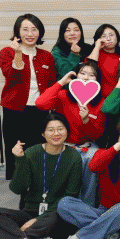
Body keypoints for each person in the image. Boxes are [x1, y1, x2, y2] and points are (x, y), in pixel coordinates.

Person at [0, 113, 82, 239]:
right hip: (29, 211)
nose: (56, 133)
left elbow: (71, 195)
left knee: (60, 223)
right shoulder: (32, 153)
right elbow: (17, 188)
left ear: (67, 131)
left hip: (54, 213)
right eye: (50, 130)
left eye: (60, 129)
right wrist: (20, 160)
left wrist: (37, 219)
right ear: (43, 133)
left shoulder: (73, 157)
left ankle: (4, 237)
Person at [35, 61, 106, 206]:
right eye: (82, 73)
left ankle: (86, 207)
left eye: (91, 75)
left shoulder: (100, 102)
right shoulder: (63, 95)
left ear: (97, 80)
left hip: (87, 147)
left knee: (93, 160)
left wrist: (86, 120)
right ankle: (59, 206)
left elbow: (97, 134)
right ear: (76, 75)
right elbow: (41, 103)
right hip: (64, 145)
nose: (86, 77)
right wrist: (61, 82)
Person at [0, 14, 57, 180]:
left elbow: (52, 84)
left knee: (38, 147)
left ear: (40, 32)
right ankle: (19, 184)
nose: (30, 34)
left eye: (34, 29)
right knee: (17, 147)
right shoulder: (7, 52)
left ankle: (38, 183)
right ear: (18, 32)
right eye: (25, 29)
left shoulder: (46, 56)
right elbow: (12, 77)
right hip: (15, 110)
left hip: (39, 110)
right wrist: (18, 54)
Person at [87, 23, 120, 98]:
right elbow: (88, 68)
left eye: (111, 35)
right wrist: (97, 46)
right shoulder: (95, 55)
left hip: (117, 98)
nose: (108, 39)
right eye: (104, 36)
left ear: (117, 37)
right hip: (97, 99)